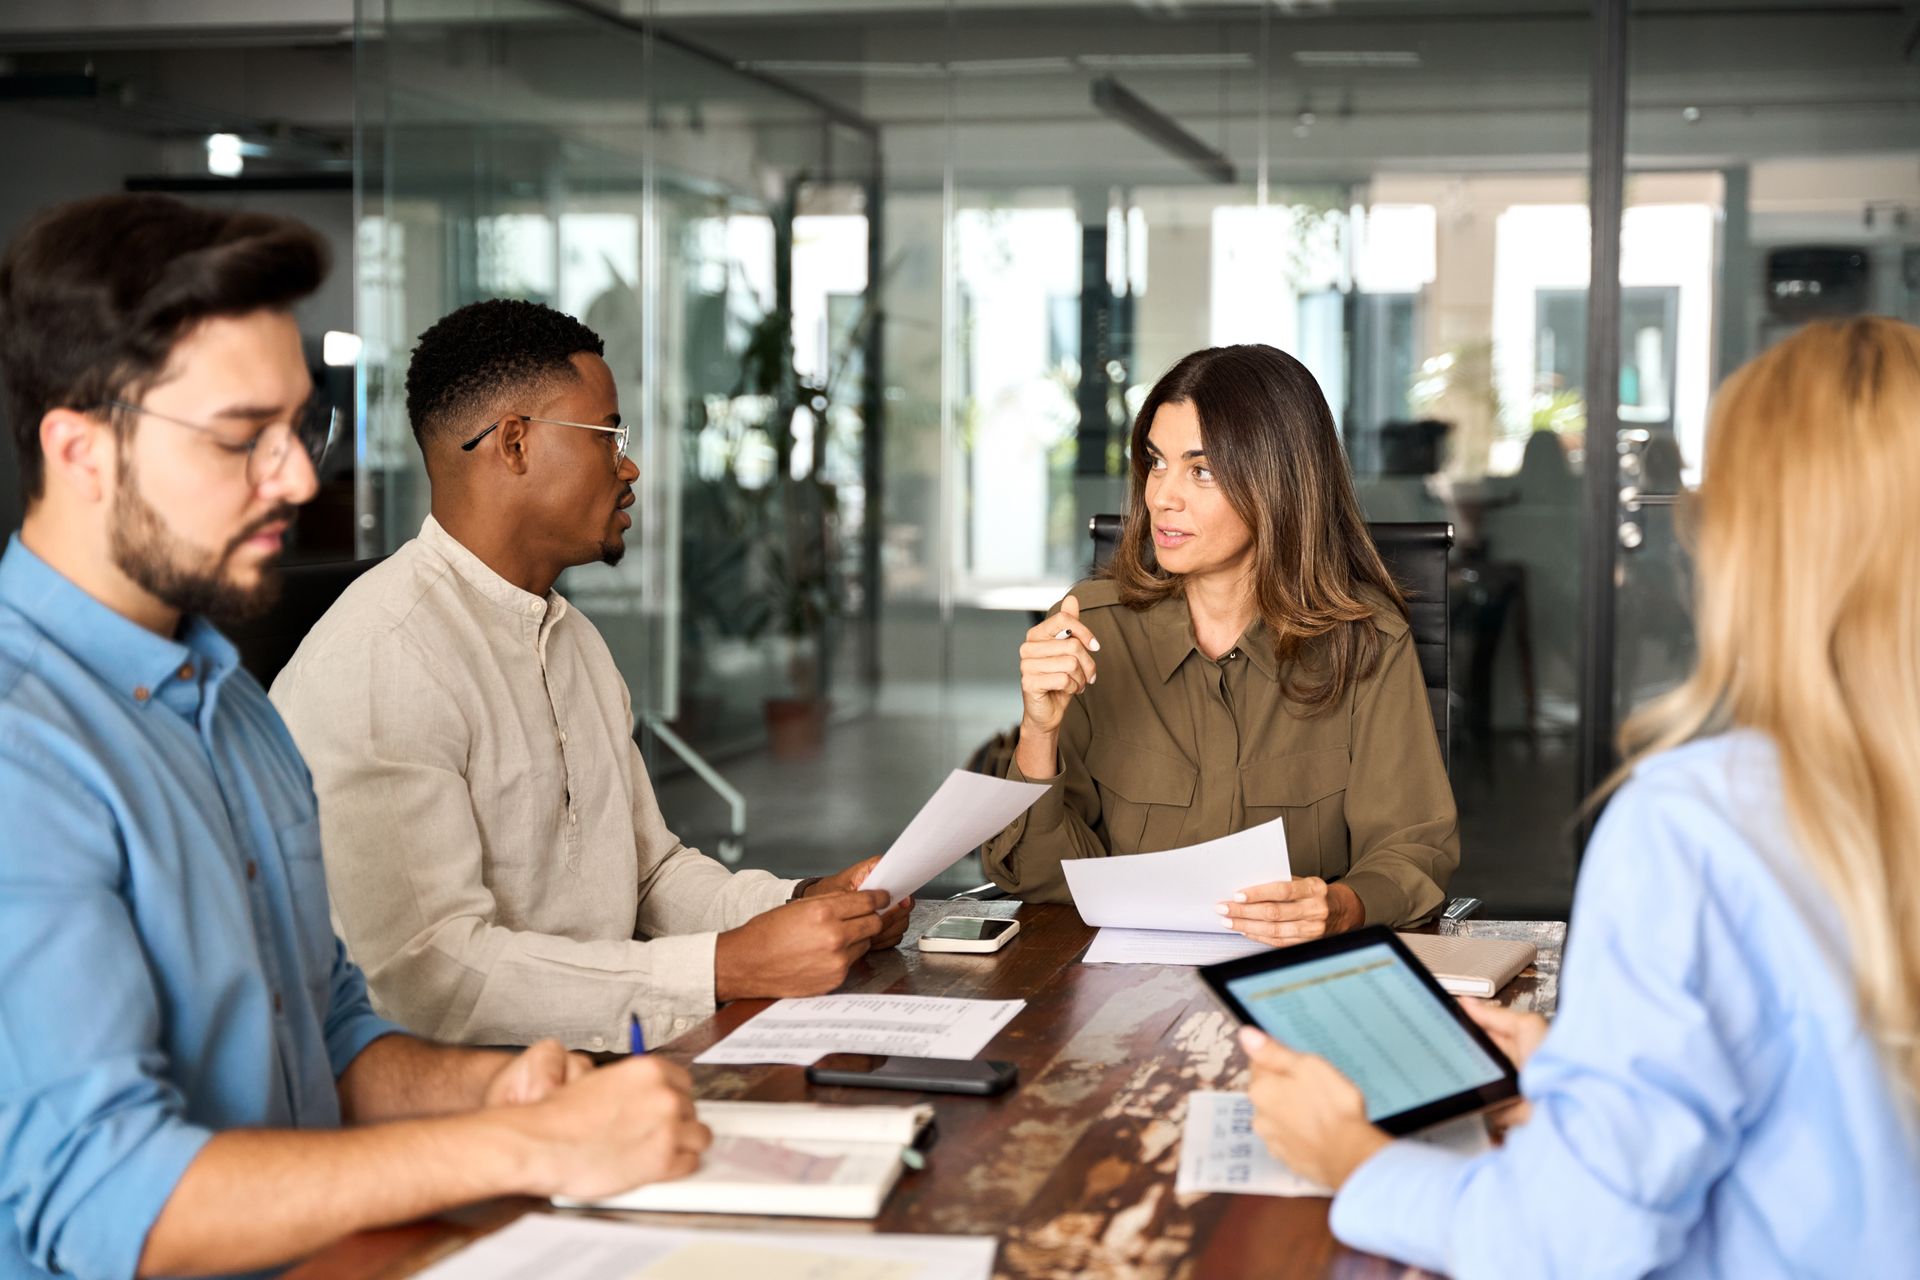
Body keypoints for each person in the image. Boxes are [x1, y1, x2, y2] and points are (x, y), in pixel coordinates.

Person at [0, 194, 707, 1280]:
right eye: (244, 436)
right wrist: (514, 1141)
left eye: (302, 427)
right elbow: (102, 1195)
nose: (296, 477)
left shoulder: (233, 706)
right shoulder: (23, 749)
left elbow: (326, 1038)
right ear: (80, 448)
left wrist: (497, 1086)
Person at [1241, 316, 1920, 1275]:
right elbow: (1824, 1121)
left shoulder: (1695, 825)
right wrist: (1581, 1070)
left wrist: (1356, 1161)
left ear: (1757, 547)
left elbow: (1575, 1245)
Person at [271, 299, 907, 1053]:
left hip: (607, 1065)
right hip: (472, 1115)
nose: (629, 466)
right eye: (610, 436)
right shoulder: (383, 659)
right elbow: (432, 979)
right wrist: (723, 968)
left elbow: (647, 877)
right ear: (513, 444)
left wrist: (805, 903)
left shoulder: (571, 639)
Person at [981, 344, 1459, 938]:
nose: (1161, 497)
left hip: (1290, 982)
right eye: (1156, 462)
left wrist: (1339, 907)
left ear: (1279, 484)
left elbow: (1411, 854)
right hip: (1120, 992)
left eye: (1200, 470)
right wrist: (1039, 731)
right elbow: (1035, 877)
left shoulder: (1366, 645)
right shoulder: (1092, 630)